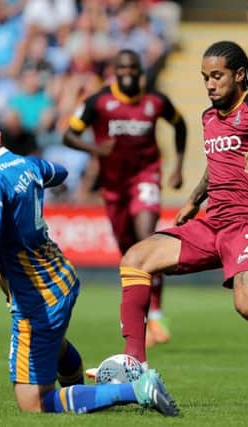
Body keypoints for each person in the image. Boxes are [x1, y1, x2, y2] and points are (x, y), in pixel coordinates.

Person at [118, 41, 248, 412]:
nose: (210, 84)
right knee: (135, 259)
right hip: (214, 220)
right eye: (205, 78)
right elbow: (218, 163)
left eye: (216, 76)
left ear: (238, 75)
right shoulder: (208, 117)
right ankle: (137, 370)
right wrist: (195, 200)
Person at [0, 103, 178, 417]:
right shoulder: (27, 165)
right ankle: (81, 398)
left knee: (33, 404)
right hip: (63, 278)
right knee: (53, 347)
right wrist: (36, 180)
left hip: (36, 296)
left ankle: (136, 389)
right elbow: (59, 172)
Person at [63, 49, 187, 347]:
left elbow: (180, 125)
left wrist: (178, 166)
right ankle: (144, 312)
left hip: (146, 175)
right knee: (128, 250)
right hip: (114, 185)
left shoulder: (155, 101)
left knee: (147, 239)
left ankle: (155, 314)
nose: (128, 72)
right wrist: (95, 150)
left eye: (133, 67)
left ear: (140, 70)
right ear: (115, 72)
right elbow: (68, 135)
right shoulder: (99, 101)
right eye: (123, 68)